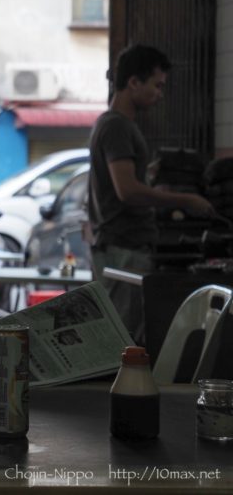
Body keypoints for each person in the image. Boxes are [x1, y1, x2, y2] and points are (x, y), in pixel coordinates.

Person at [87, 44, 213, 344]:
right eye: (157, 85)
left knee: (121, 340)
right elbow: (127, 191)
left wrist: (153, 186)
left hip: (121, 247)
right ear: (133, 83)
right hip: (123, 249)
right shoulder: (117, 127)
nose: (160, 94)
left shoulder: (114, 125)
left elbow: (127, 184)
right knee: (119, 344)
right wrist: (187, 200)